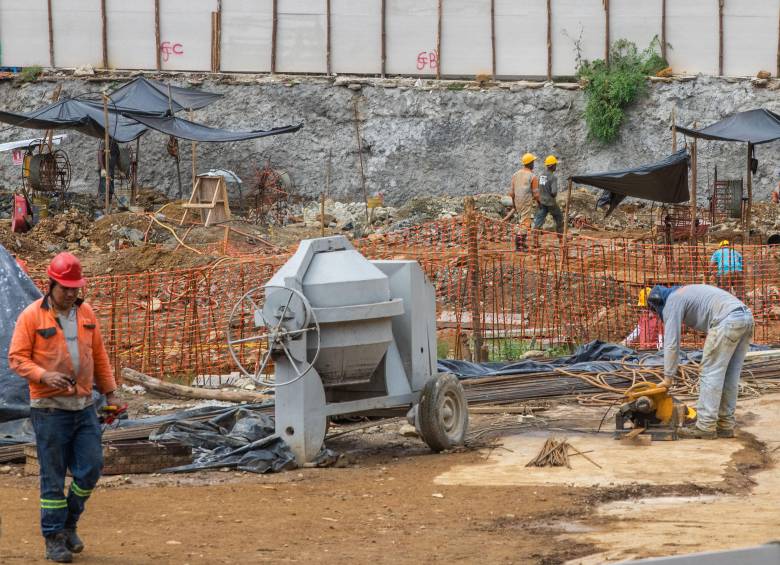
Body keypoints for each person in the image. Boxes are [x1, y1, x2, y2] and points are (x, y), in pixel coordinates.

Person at [8, 252, 118, 563]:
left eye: (75, 289)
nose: (71, 294)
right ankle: (53, 538)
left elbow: (99, 357)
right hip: (49, 409)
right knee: (53, 476)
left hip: (84, 407)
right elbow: (17, 358)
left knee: (91, 468)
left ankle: (70, 523)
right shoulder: (32, 316)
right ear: (51, 285)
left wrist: (110, 395)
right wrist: (45, 375)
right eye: (65, 288)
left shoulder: (86, 314)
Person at [647, 284, 753, 440]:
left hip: (727, 320)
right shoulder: (684, 292)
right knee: (730, 375)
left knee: (710, 372)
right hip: (746, 318)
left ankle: (705, 426)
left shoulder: (672, 301)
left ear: (657, 303)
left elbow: (671, 343)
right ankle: (725, 425)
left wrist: (668, 378)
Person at [505, 152, 540, 251]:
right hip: (526, 202)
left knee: (521, 222)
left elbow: (511, 193)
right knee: (525, 223)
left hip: (517, 201)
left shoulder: (515, 175)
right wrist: (540, 203)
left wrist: (514, 203)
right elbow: (536, 194)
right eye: (533, 162)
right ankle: (519, 246)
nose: (534, 164)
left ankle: (522, 244)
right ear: (531, 163)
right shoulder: (532, 176)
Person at [532, 155, 564, 234]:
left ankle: (535, 241)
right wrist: (553, 196)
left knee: (539, 221)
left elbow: (539, 188)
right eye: (555, 165)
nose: (556, 167)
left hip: (542, 202)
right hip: (550, 203)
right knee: (559, 218)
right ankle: (561, 238)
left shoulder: (541, 176)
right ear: (552, 166)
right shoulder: (553, 177)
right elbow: (554, 192)